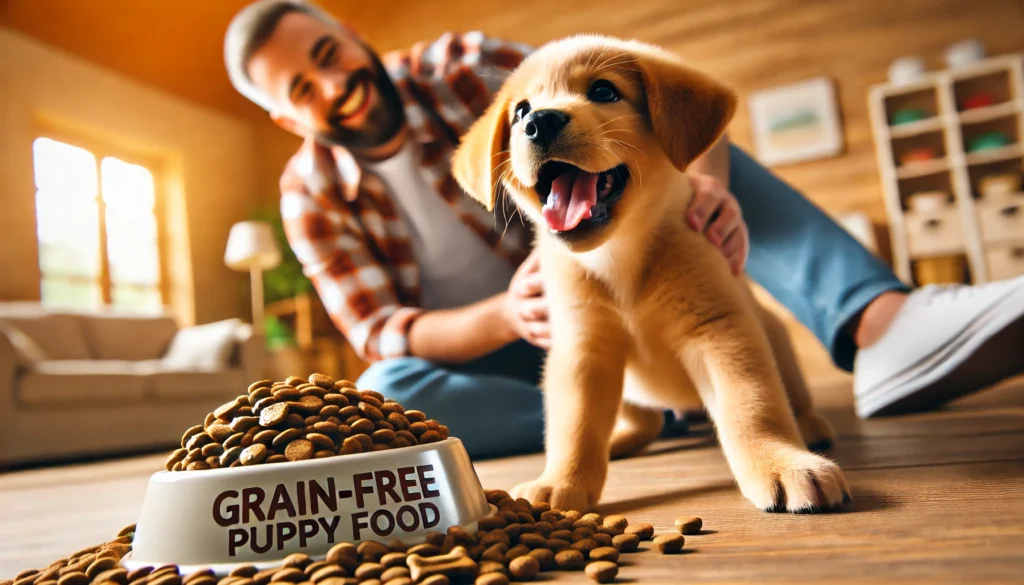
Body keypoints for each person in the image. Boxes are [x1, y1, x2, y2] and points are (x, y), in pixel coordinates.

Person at [224, 0, 1024, 458]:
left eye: (330, 52)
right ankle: (655, 407)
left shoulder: (462, 65)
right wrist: (507, 315)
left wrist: (707, 187)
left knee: (687, 158)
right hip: (510, 344)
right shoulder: (309, 196)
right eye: (303, 85)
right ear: (280, 114)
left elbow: (632, 98)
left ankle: (875, 322)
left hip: (633, 269)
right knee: (387, 389)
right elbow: (383, 329)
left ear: (352, 34)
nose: (337, 83)